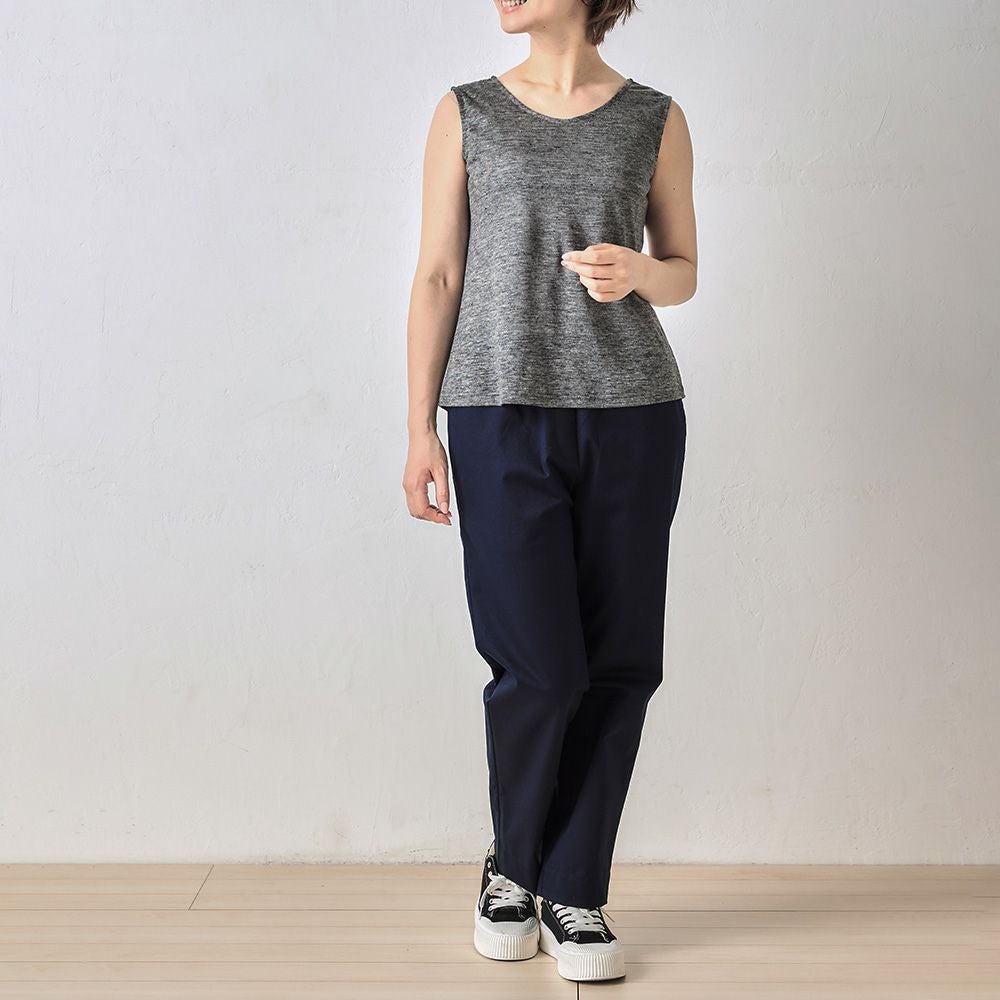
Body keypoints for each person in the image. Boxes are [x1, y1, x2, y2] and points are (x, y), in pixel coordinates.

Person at [402, 0, 696, 983]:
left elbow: (684, 272)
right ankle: (515, 867)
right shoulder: (466, 112)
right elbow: (438, 276)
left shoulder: (654, 116)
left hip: (633, 413)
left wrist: (640, 271)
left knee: (619, 664)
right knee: (538, 666)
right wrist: (419, 427)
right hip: (497, 411)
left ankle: (573, 887)